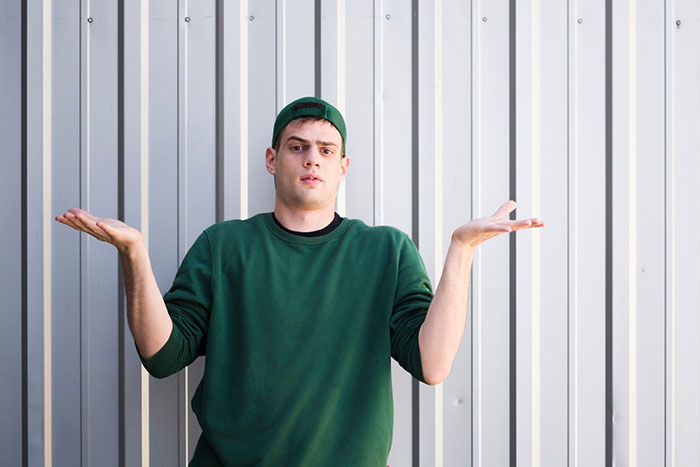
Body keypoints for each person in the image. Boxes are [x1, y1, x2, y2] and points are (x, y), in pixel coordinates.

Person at [56, 96, 544, 466]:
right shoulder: (223, 246)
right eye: (298, 146)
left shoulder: (385, 251)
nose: (312, 158)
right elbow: (163, 356)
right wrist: (134, 256)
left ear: (342, 167)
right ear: (273, 159)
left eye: (326, 149)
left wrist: (461, 252)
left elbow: (432, 365)